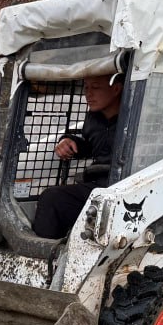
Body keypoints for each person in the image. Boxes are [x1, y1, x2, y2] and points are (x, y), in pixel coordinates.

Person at [31, 73, 124, 239]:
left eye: (95, 87)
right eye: (86, 88)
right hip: (99, 186)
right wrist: (69, 142)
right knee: (52, 199)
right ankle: (46, 253)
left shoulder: (135, 118)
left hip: (125, 185)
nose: (88, 94)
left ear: (116, 89)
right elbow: (93, 147)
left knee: (52, 198)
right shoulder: (93, 118)